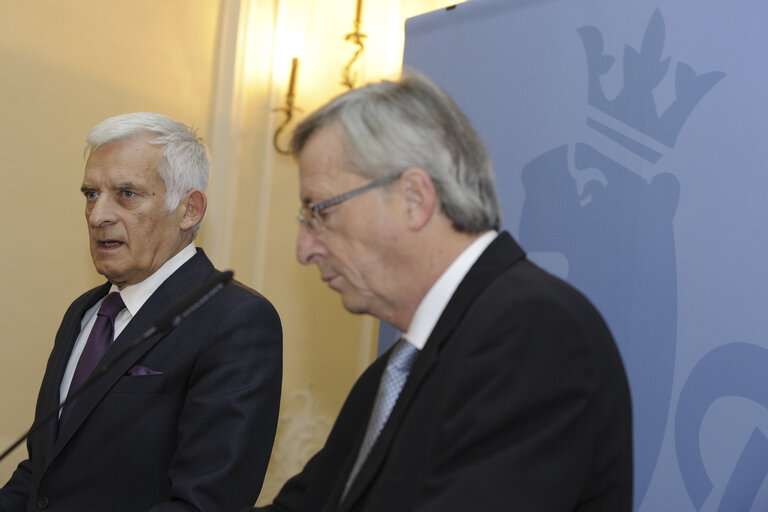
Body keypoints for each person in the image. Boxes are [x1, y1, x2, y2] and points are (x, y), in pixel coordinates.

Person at [252, 72, 632, 511]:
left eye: (319, 212)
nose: (304, 250)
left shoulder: (534, 333)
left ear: (413, 198)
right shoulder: (391, 374)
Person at [0, 113, 283, 512]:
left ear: (189, 209)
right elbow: (44, 474)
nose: (98, 215)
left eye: (126, 194)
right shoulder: (83, 313)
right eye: (90, 194)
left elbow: (206, 500)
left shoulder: (235, 320)